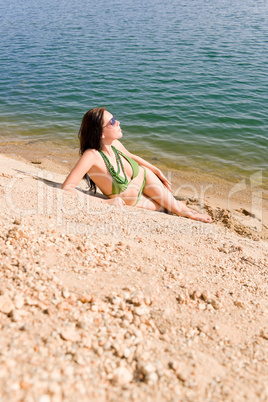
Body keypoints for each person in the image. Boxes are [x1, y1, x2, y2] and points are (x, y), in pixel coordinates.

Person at [61, 107, 213, 223]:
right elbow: (67, 188)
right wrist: (106, 202)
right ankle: (182, 208)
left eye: (115, 119)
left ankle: (185, 209)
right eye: (112, 122)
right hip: (133, 199)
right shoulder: (91, 156)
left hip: (144, 179)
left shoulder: (115, 144)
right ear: (101, 133)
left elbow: (132, 156)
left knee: (177, 208)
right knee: (170, 209)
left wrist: (156, 170)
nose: (118, 122)